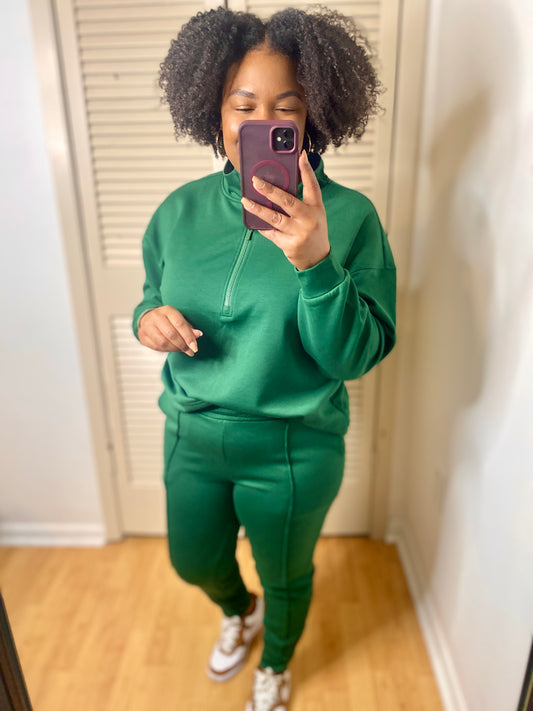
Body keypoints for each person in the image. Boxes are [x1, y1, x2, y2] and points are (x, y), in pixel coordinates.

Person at [132, 7, 396, 711]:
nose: (262, 122)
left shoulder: (351, 218)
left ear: (314, 115)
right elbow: (151, 295)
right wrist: (147, 321)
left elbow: (355, 355)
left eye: (287, 106)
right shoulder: (179, 211)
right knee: (192, 559)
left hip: (291, 445)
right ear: (213, 111)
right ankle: (237, 610)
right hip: (191, 431)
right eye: (242, 105)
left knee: (285, 575)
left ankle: (275, 662)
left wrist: (315, 263)